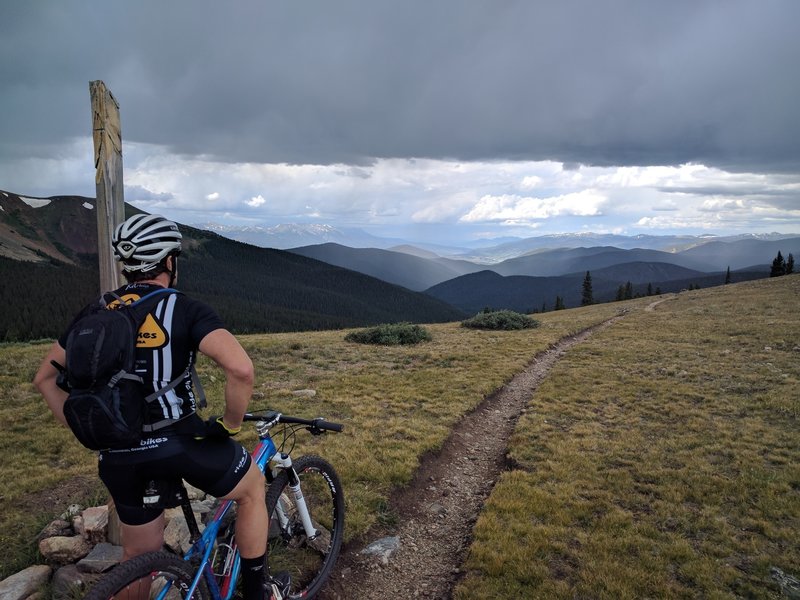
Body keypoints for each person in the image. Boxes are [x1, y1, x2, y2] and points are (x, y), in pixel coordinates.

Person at [34, 214, 287, 600]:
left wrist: (89, 428)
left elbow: (44, 379)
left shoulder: (95, 313)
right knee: (252, 489)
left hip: (117, 453)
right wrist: (231, 424)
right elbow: (240, 369)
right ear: (170, 262)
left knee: (138, 555)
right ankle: (257, 592)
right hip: (178, 442)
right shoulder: (183, 308)